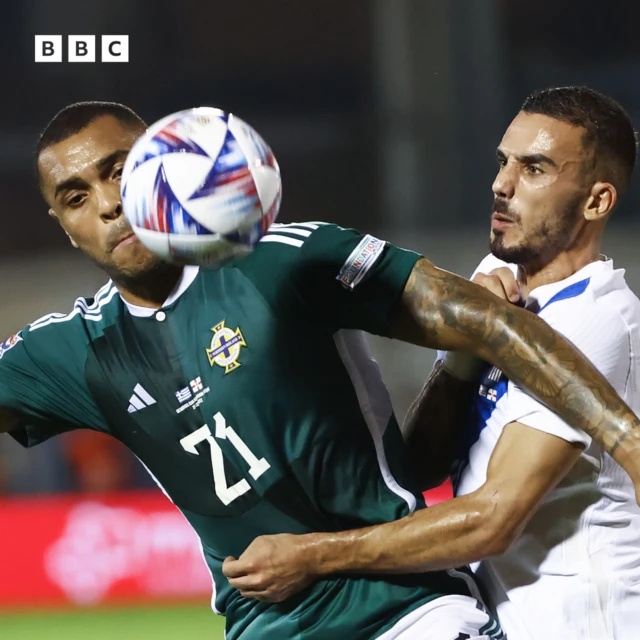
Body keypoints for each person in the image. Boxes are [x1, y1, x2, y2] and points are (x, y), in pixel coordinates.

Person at [1, 100, 639, 640]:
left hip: (406, 613)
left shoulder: (282, 262)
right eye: (77, 197)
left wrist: (627, 441)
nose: (110, 205)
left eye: (120, 171)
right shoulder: (71, 351)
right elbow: (427, 450)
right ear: (63, 225)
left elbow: (495, 325)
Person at [225, 86, 640, 639]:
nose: (501, 184)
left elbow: (493, 520)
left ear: (596, 202)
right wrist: (471, 348)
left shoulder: (595, 321)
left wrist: (314, 557)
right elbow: (422, 465)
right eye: (503, 162)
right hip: (502, 621)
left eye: (534, 168)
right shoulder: (499, 282)